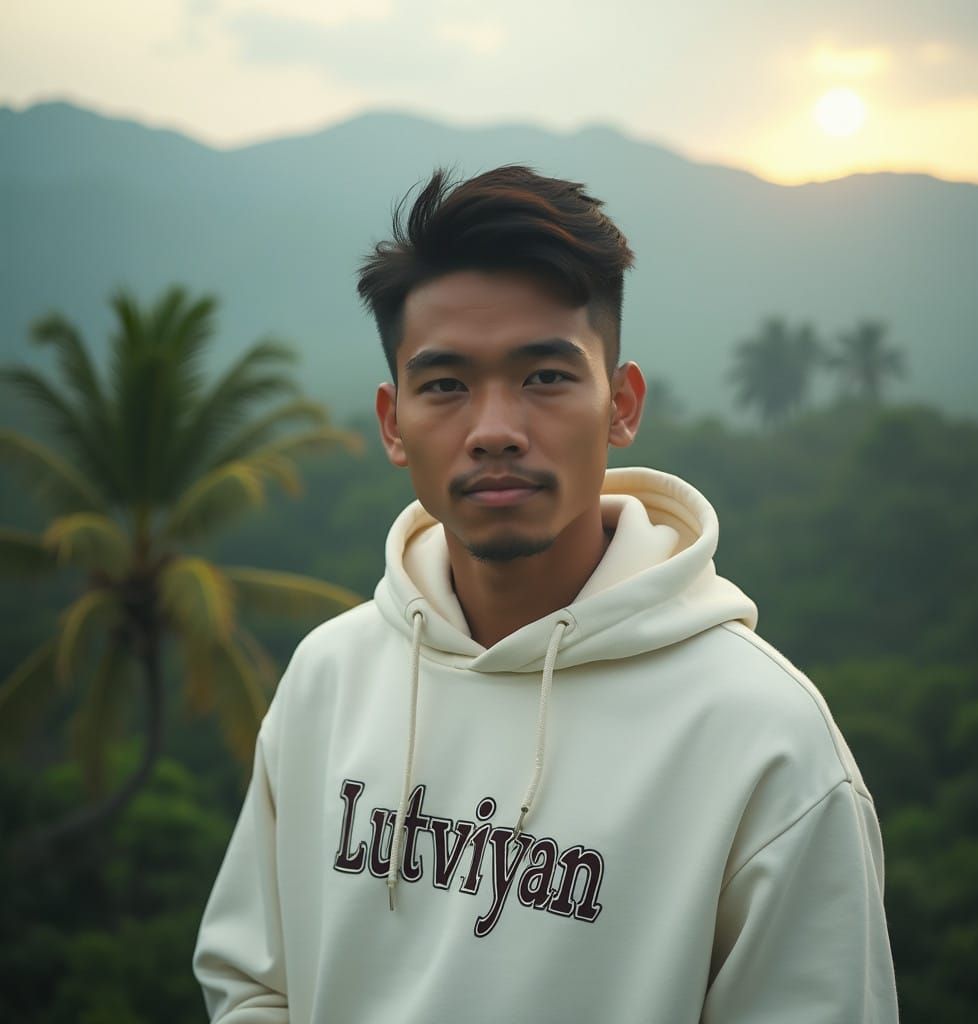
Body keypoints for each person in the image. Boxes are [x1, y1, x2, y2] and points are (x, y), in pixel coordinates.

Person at [193, 165, 899, 1022]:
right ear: (391, 421)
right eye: (445, 384)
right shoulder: (328, 680)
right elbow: (253, 985)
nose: (494, 429)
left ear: (621, 404)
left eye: (546, 377)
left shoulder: (765, 740)